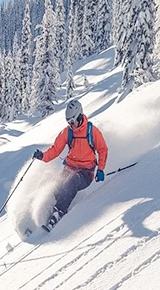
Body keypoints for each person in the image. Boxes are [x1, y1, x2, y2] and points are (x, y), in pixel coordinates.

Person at [33, 99, 108, 231]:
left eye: (72, 122)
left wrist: (100, 169)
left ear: (79, 116)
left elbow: (103, 149)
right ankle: (49, 211)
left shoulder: (91, 131)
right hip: (70, 167)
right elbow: (55, 149)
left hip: (86, 172)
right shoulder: (67, 132)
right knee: (56, 184)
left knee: (71, 181)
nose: (70, 125)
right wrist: (43, 156)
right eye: (68, 122)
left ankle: (59, 212)